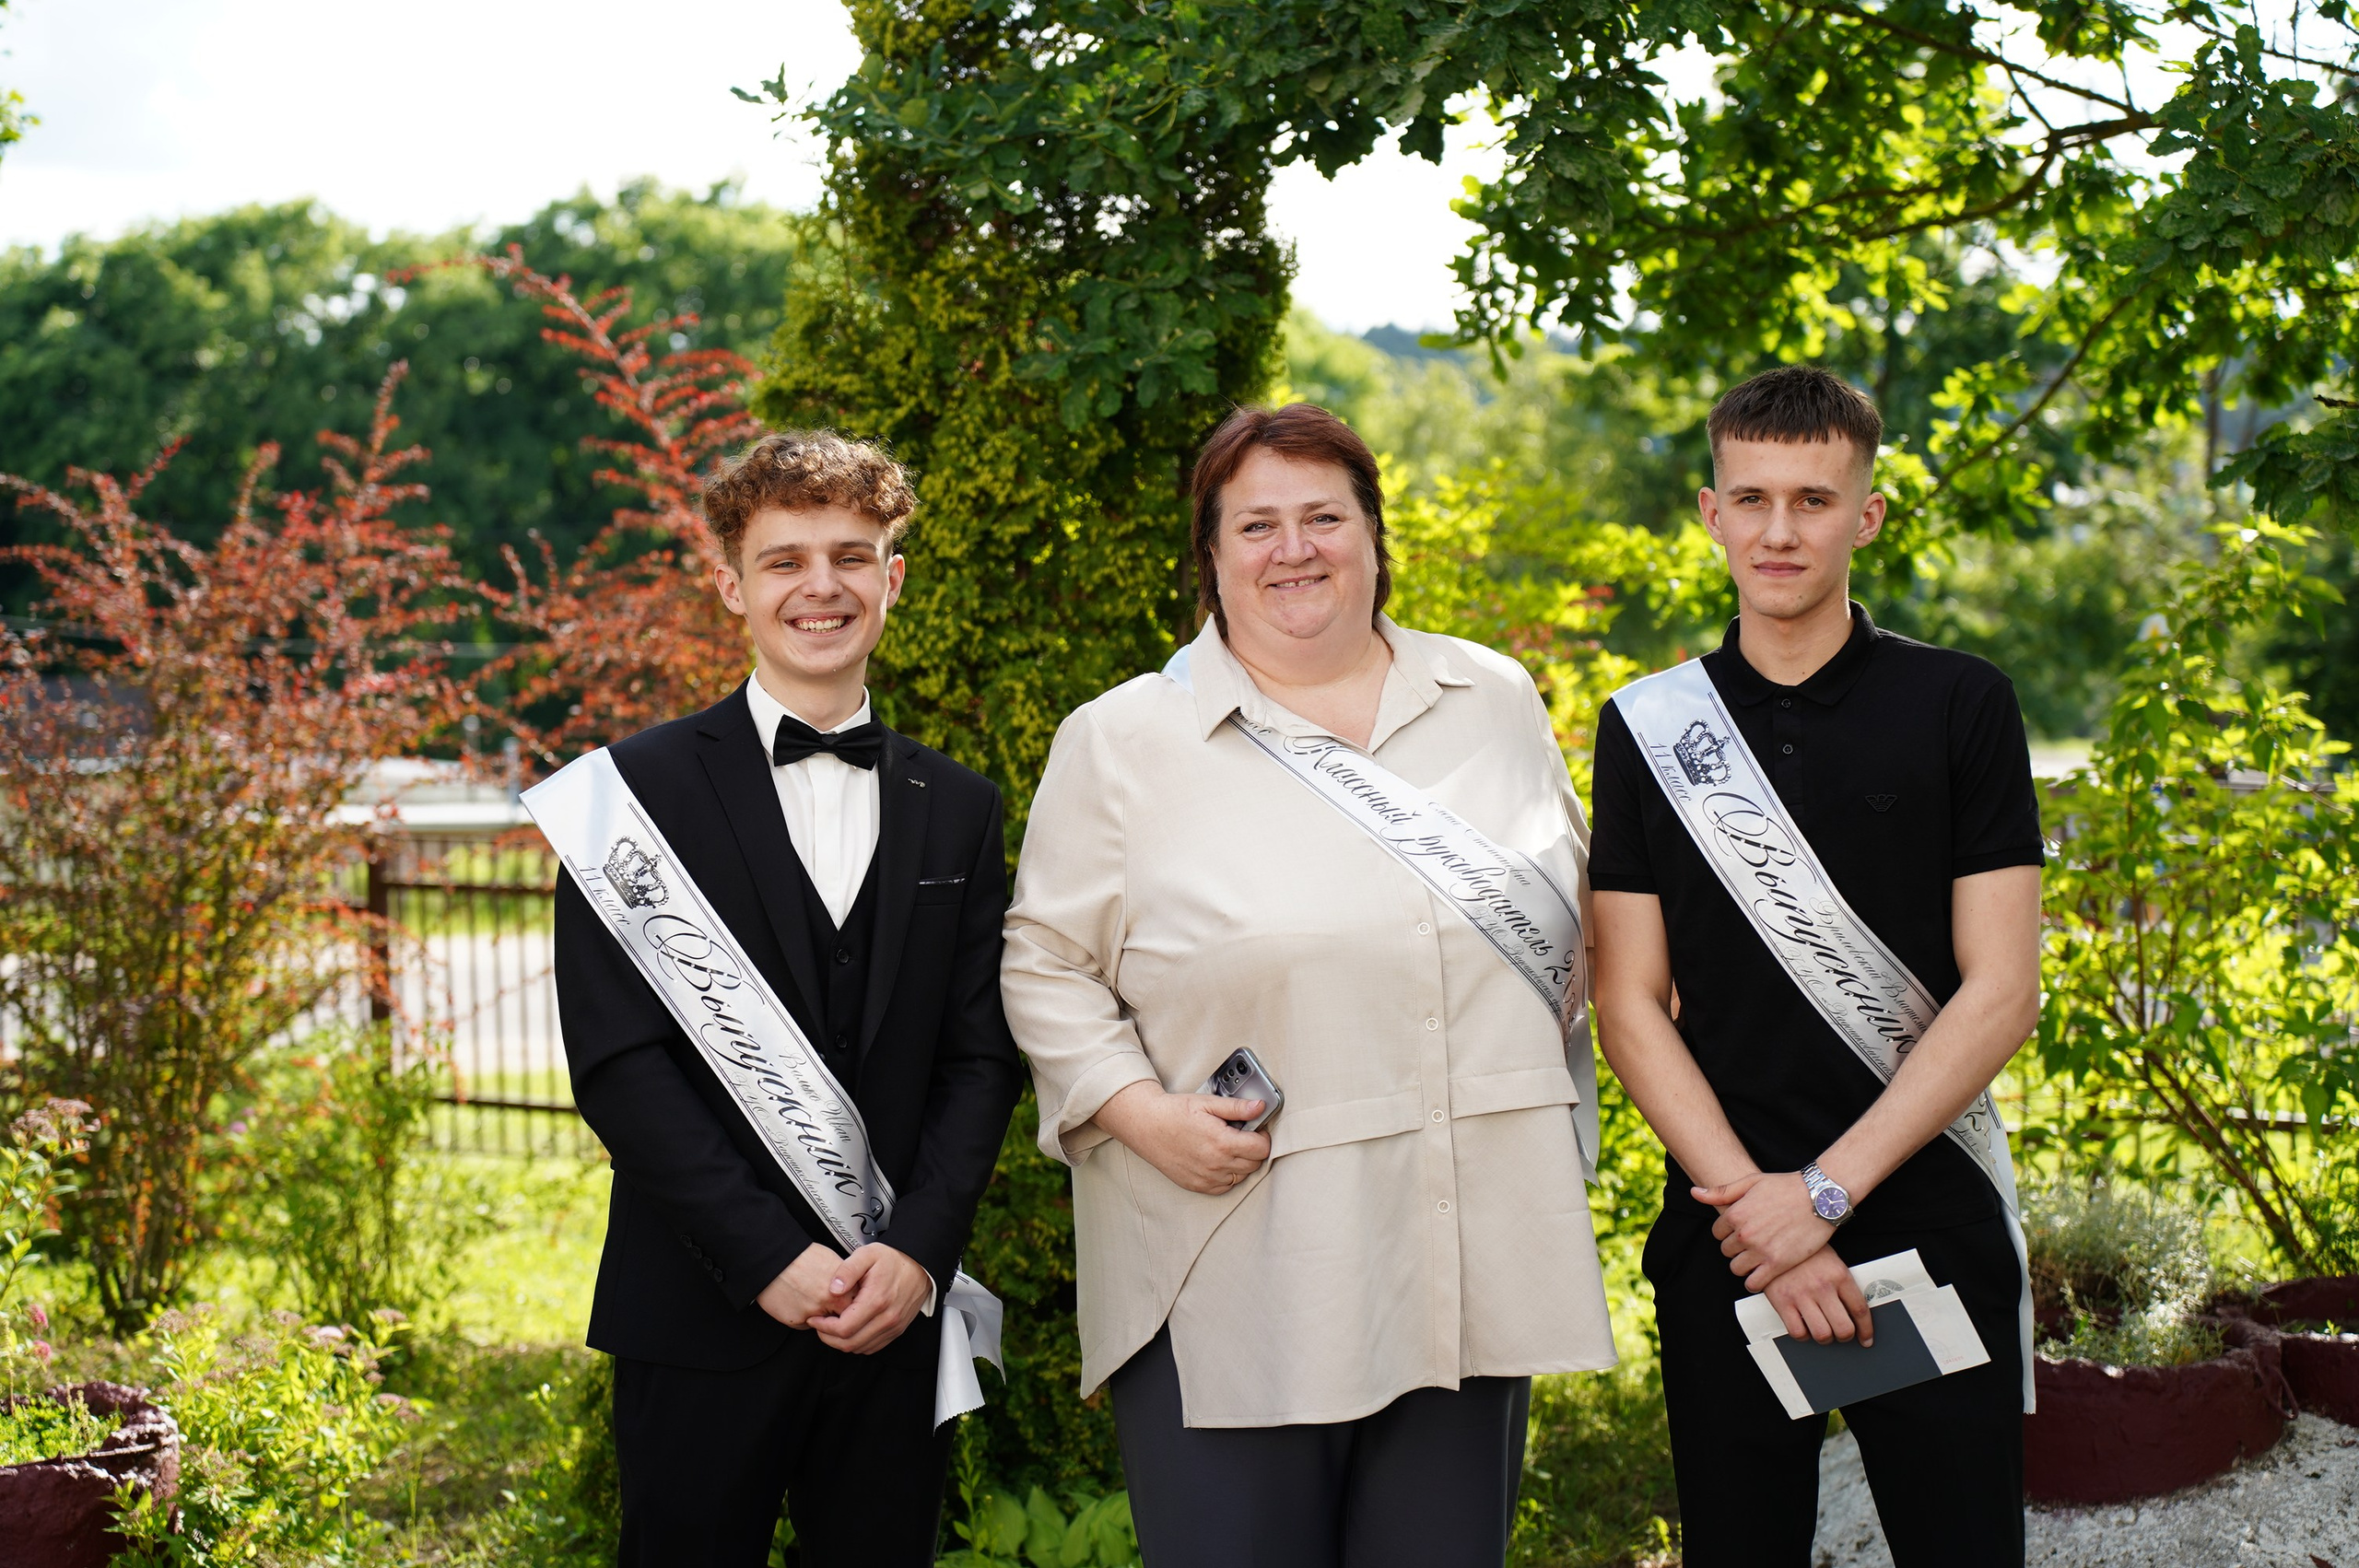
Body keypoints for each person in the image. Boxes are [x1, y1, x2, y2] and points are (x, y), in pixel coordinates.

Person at [1002, 403, 1617, 1568]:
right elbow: (1044, 963)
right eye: (1258, 525)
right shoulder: (1125, 739)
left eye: (1325, 517)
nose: (1297, 549)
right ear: (1212, 557)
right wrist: (1138, 1113)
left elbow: (1580, 917)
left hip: (1465, 1240)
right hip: (1239, 1246)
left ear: (1375, 537)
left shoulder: (1491, 698)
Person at [1589, 366, 2044, 1566]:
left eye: (1813, 498)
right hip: (1727, 1239)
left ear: (1867, 513)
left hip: (1924, 1232)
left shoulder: (1961, 704)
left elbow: (2002, 988)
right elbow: (1625, 999)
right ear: (1710, 512)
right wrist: (1766, 1216)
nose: (1780, 529)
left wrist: (1823, 1197)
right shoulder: (1647, 725)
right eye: (1752, 498)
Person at [548, 430, 1025, 1567]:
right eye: (785, 560)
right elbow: (621, 1065)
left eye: (852, 556)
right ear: (731, 585)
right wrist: (769, 1258)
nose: (823, 586)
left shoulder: (958, 806)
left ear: (892, 577)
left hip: (889, 1310)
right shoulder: (630, 796)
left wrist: (914, 1250)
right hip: (697, 1306)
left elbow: (979, 1057)